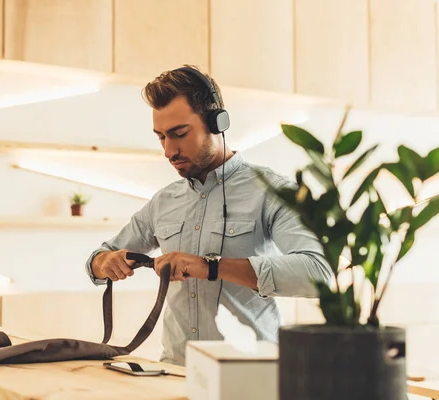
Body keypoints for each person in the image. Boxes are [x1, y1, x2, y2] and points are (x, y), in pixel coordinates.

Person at [84, 65, 332, 366]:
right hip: (176, 374)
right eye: (161, 137)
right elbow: (98, 259)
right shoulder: (162, 202)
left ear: (217, 123)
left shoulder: (272, 192)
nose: (168, 151)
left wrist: (209, 266)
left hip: (250, 377)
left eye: (179, 134)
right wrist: (104, 262)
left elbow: (319, 273)